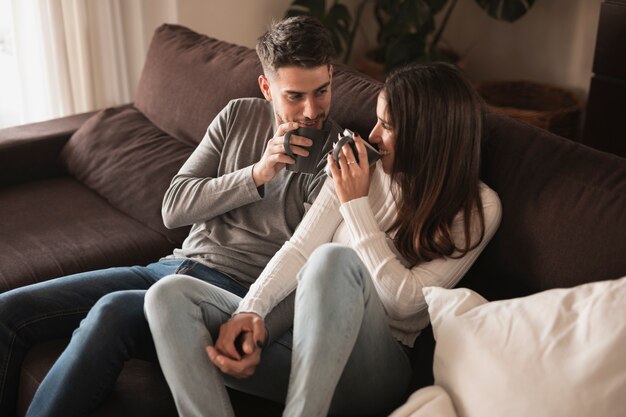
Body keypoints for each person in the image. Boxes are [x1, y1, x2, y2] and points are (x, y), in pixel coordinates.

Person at [0, 16, 342, 417]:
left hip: (224, 298)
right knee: (9, 312)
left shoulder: (337, 158)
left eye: (322, 91)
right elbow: (173, 206)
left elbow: (312, 269)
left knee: (113, 312)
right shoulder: (237, 117)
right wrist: (255, 175)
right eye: (295, 96)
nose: (311, 111)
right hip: (169, 269)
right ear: (267, 88)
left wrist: (260, 325)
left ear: (332, 76)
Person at [144, 62, 503, 417]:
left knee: (333, 259)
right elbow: (299, 249)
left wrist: (356, 205)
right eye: (378, 120)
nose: (374, 136)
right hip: (302, 347)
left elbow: (404, 305)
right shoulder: (357, 164)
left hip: (375, 369)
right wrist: (250, 311)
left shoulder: (478, 206)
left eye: (388, 126)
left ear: (430, 136)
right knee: (169, 295)